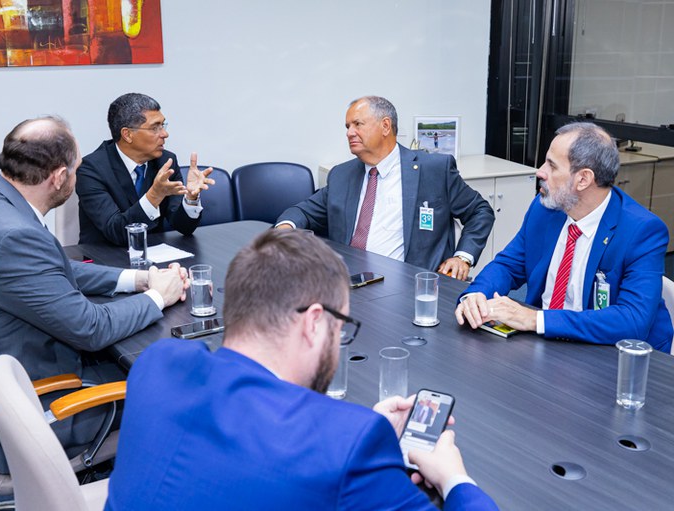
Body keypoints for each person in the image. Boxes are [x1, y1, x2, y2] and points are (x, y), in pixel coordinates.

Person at [105, 229, 499, 510]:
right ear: (314, 323)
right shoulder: (348, 444)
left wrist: (349, 425)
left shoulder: (157, 364)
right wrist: (454, 479)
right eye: (340, 327)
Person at [0, 116, 189, 473]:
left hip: (3, 378)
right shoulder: (12, 236)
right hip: (25, 410)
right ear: (59, 177)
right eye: (77, 168)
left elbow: (56, 268)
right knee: (180, 391)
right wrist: (158, 297)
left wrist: (137, 279)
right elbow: (91, 329)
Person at [456, 122, 672, 352]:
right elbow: (508, 265)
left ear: (583, 179)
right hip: (548, 347)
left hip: (618, 359)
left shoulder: (642, 231)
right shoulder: (545, 210)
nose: (540, 172)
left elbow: (633, 320)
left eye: (551, 166)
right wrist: (477, 294)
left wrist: (536, 319)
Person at [276, 96, 494, 281]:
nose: (349, 132)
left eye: (357, 124)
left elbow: (480, 211)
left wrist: (462, 257)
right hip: (350, 283)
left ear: (385, 126)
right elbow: (302, 211)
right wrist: (285, 229)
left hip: (410, 284)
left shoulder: (434, 170)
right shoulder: (342, 175)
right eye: (347, 126)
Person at [76, 92, 215, 245]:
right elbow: (116, 231)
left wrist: (191, 198)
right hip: (104, 258)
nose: (165, 134)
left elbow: (183, 227)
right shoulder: (91, 170)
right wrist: (154, 196)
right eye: (155, 128)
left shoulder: (166, 162)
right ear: (127, 134)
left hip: (155, 257)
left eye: (163, 125)